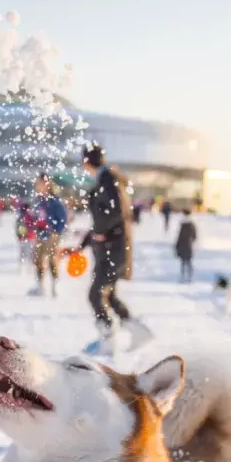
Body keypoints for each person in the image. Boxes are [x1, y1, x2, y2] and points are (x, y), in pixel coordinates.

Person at [64, 143, 153, 355]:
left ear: (86, 162)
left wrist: (100, 232)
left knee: (96, 294)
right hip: (110, 248)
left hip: (114, 249)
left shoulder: (108, 180)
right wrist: (81, 246)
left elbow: (118, 212)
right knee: (108, 295)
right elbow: (101, 222)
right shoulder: (106, 179)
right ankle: (138, 332)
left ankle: (109, 339)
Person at [28, 173, 69, 298]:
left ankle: (55, 286)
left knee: (52, 259)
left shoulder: (54, 201)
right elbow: (35, 216)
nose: (38, 186)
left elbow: (62, 218)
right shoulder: (39, 201)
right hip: (40, 233)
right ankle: (40, 286)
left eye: (41, 183)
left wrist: (55, 229)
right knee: (38, 260)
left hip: (51, 234)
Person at [175, 203, 198, 283]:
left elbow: (194, 236)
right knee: (186, 261)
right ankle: (186, 276)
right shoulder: (188, 223)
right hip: (186, 245)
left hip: (185, 245)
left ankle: (187, 276)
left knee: (186, 262)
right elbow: (194, 236)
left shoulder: (188, 224)